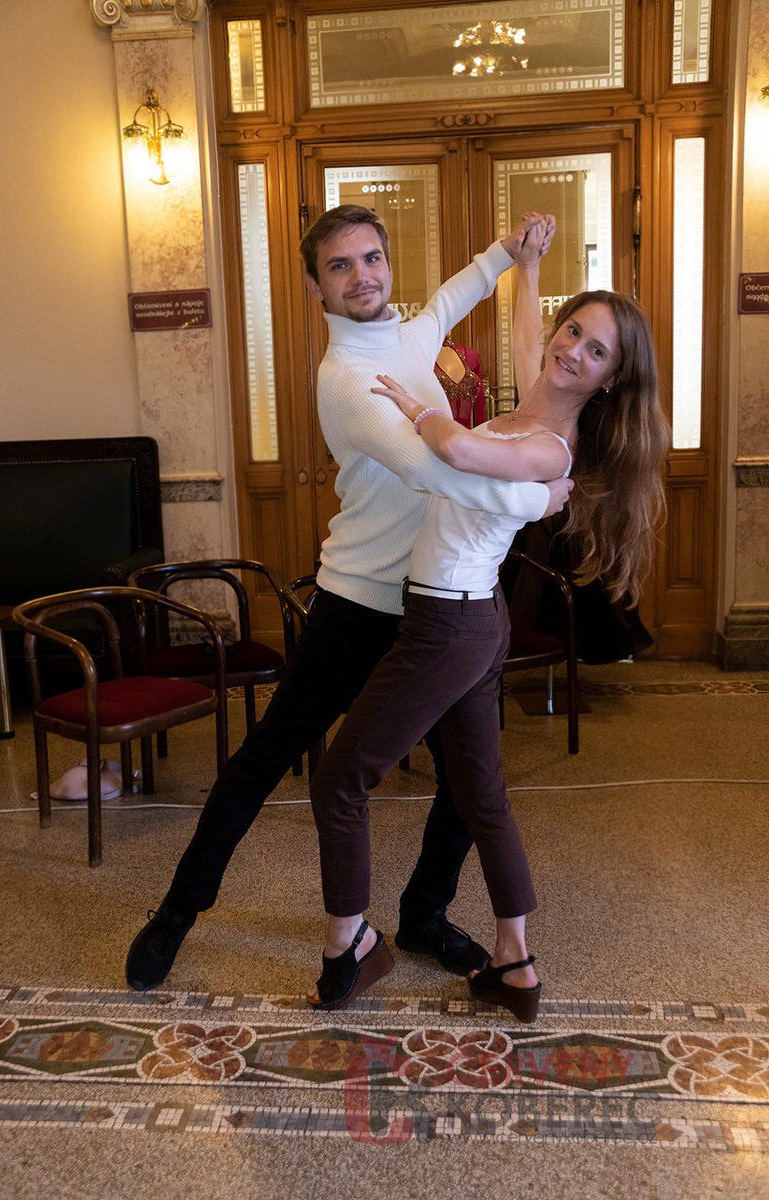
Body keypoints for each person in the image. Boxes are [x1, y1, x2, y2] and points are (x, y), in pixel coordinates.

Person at [125, 204, 573, 992]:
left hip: (441, 605)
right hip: (359, 606)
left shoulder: (410, 337)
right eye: (339, 266)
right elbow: (440, 472)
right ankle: (178, 910)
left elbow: (451, 297)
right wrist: (544, 495)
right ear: (315, 286)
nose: (361, 276)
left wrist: (508, 250)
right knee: (263, 761)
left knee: (469, 782)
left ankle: (425, 915)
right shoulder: (346, 381)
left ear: (387, 264)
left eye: (371, 258)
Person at [305, 218, 670, 1022]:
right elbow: (526, 328)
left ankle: (347, 946)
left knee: (340, 779)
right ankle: (516, 960)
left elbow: (461, 459)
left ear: (612, 378)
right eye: (572, 331)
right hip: (469, 618)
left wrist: (419, 410)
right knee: (481, 795)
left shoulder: (552, 445)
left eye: (596, 351)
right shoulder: (540, 388)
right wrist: (524, 264)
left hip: (448, 627)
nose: (571, 350)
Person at [434, 335, 487, 428]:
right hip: (435, 432)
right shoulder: (421, 356)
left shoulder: (470, 355)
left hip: (467, 433)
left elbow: (480, 407)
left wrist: (481, 433)